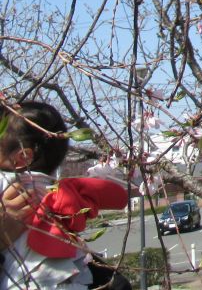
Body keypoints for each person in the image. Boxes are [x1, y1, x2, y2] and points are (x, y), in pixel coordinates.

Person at [0, 101, 129, 290]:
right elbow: (115, 195)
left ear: (23, 157)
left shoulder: (6, 181)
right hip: (68, 277)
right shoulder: (54, 188)